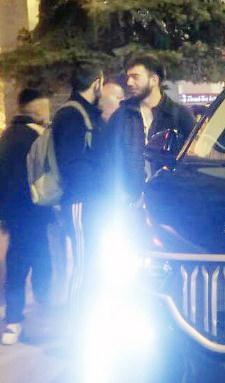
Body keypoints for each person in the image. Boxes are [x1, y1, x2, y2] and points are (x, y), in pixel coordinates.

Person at [52, 63, 106, 321]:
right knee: (85, 265)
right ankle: (77, 323)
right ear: (97, 83)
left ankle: (92, 318)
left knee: (95, 263)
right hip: (81, 201)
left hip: (91, 201)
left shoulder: (86, 113)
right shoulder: (72, 115)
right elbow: (70, 163)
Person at [0, 89, 53, 345]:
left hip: (15, 214)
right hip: (36, 210)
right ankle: (43, 314)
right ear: (37, 109)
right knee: (42, 261)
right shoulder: (38, 137)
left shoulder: (7, 136)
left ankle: (12, 321)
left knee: (16, 265)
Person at [104, 54, 194, 201]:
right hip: (128, 201)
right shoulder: (121, 116)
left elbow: (193, 158)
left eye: (135, 77)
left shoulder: (179, 115)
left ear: (154, 80)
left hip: (168, 199)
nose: (129, 82)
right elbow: (108, 158)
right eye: (128, 77)